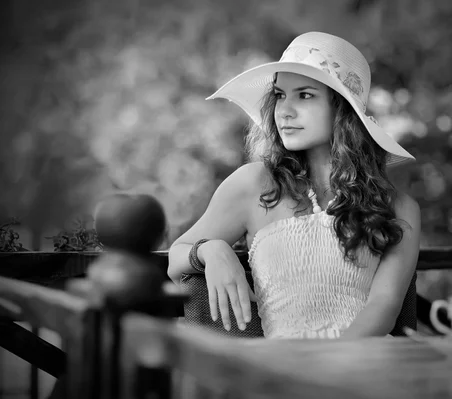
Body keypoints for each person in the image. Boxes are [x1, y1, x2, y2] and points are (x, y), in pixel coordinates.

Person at [167, 31, 420, 339]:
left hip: (365, 366)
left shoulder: (399, 208)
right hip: (282, 371)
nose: (284, 110)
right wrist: (211, 250)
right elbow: (175, 257)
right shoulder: (254, 184)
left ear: (342, 110)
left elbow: (384, 307)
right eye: (280, 95)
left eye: (304, 95)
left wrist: (330, 371)